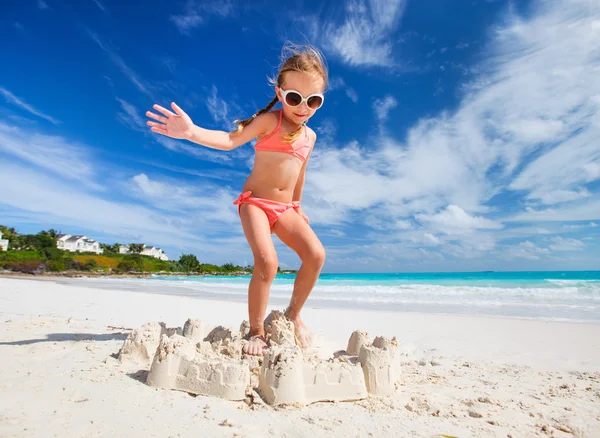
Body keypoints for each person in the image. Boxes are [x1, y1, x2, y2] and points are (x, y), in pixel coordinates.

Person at [146, 44, 328, 356]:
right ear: (280, 92)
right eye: (294, 98)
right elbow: (230, 141)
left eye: (313, 101)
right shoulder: (268, 122)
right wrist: (191, 132)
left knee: (316, 255)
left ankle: (294, 314)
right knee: (268, 264)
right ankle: (256, 331)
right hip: (255, 203)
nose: (303, 107)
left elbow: (300, 174)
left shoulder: (309, 138)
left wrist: (298, 206)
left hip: (285, 209)